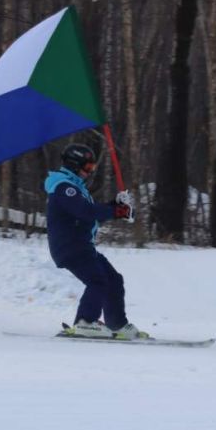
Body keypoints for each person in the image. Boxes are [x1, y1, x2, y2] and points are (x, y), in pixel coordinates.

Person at [43, 143, 149, 340]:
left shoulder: (76, 187)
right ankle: (86, 322)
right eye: (87, 168)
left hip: (82, 245)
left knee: (114, 280)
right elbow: (85, 212)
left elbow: (90, 212)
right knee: (97, 280)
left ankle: (117, 324)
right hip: (70, 246)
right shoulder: (63, 187)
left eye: (92, 168)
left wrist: (116, 205)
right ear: (75, 165)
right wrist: (117, 211)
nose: (90, 172)